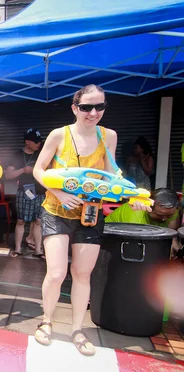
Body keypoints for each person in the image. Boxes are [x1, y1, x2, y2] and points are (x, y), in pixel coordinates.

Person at [33, 84, 150, 356]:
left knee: (83, 274)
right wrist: (59, 194)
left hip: (90, 212)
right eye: (86, 107)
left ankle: (77, 328)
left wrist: (131, 194)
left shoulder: (109, 136)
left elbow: (112, 175)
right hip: (57, 210)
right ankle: (46, 320)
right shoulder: (58, 135)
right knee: (57, 272)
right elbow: (39, 170)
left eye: (100, 106)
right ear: (75, 108)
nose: (93, 112)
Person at [6, 128, 46, 259]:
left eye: (39, 141)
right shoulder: (17, 155)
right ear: (27, 142)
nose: (38, 144)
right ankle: (18, 249)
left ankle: (38, 250)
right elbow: (8, 175)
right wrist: (23, 170)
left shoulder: (42, 153)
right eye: (35, 141)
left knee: (38, 221)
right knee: (21, 221)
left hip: (40, 191)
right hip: (25, 191)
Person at [106, 188, 180, 257]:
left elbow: (171, 230)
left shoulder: (172, 211)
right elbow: (136, 245)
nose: (164, 219)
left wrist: (173, 241)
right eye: (159, 215)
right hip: (112, 241)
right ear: (147, 208)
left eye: (169, 215)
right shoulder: (136, 213)